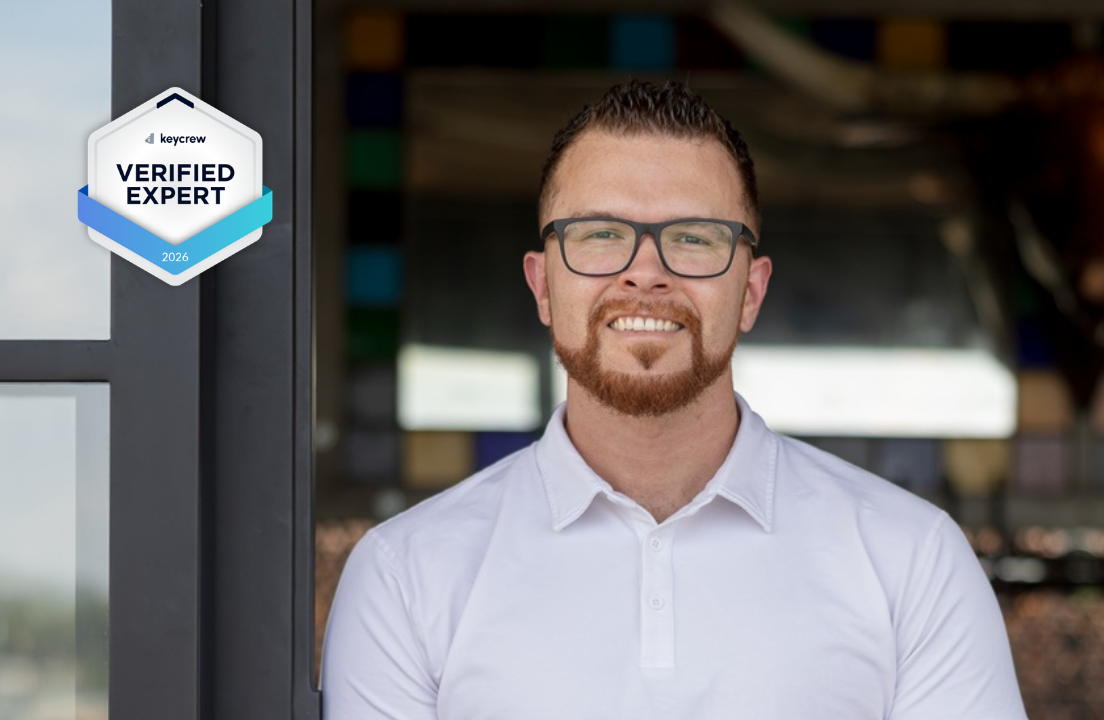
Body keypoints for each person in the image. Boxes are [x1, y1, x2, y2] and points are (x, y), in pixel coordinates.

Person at [321, 80, 1027, 720]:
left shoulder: (912, 561)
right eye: (601, 234)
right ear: (542, 286)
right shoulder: (405, 574)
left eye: (694, 238)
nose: (645, 273)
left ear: (751, 291)